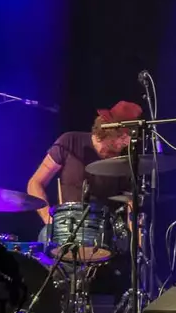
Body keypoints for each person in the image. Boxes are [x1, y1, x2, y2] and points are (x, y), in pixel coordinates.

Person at [27, 100, 144, 243]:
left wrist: (137, 244)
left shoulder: (125, 162)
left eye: (130, 137)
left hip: (102, 234)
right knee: (46, 236)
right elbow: (35, 182)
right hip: (66, 227)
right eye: (124, 136)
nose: (127, 142)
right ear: (109, 129)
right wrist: (48, 217)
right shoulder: (70, 141)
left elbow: (131, 202)